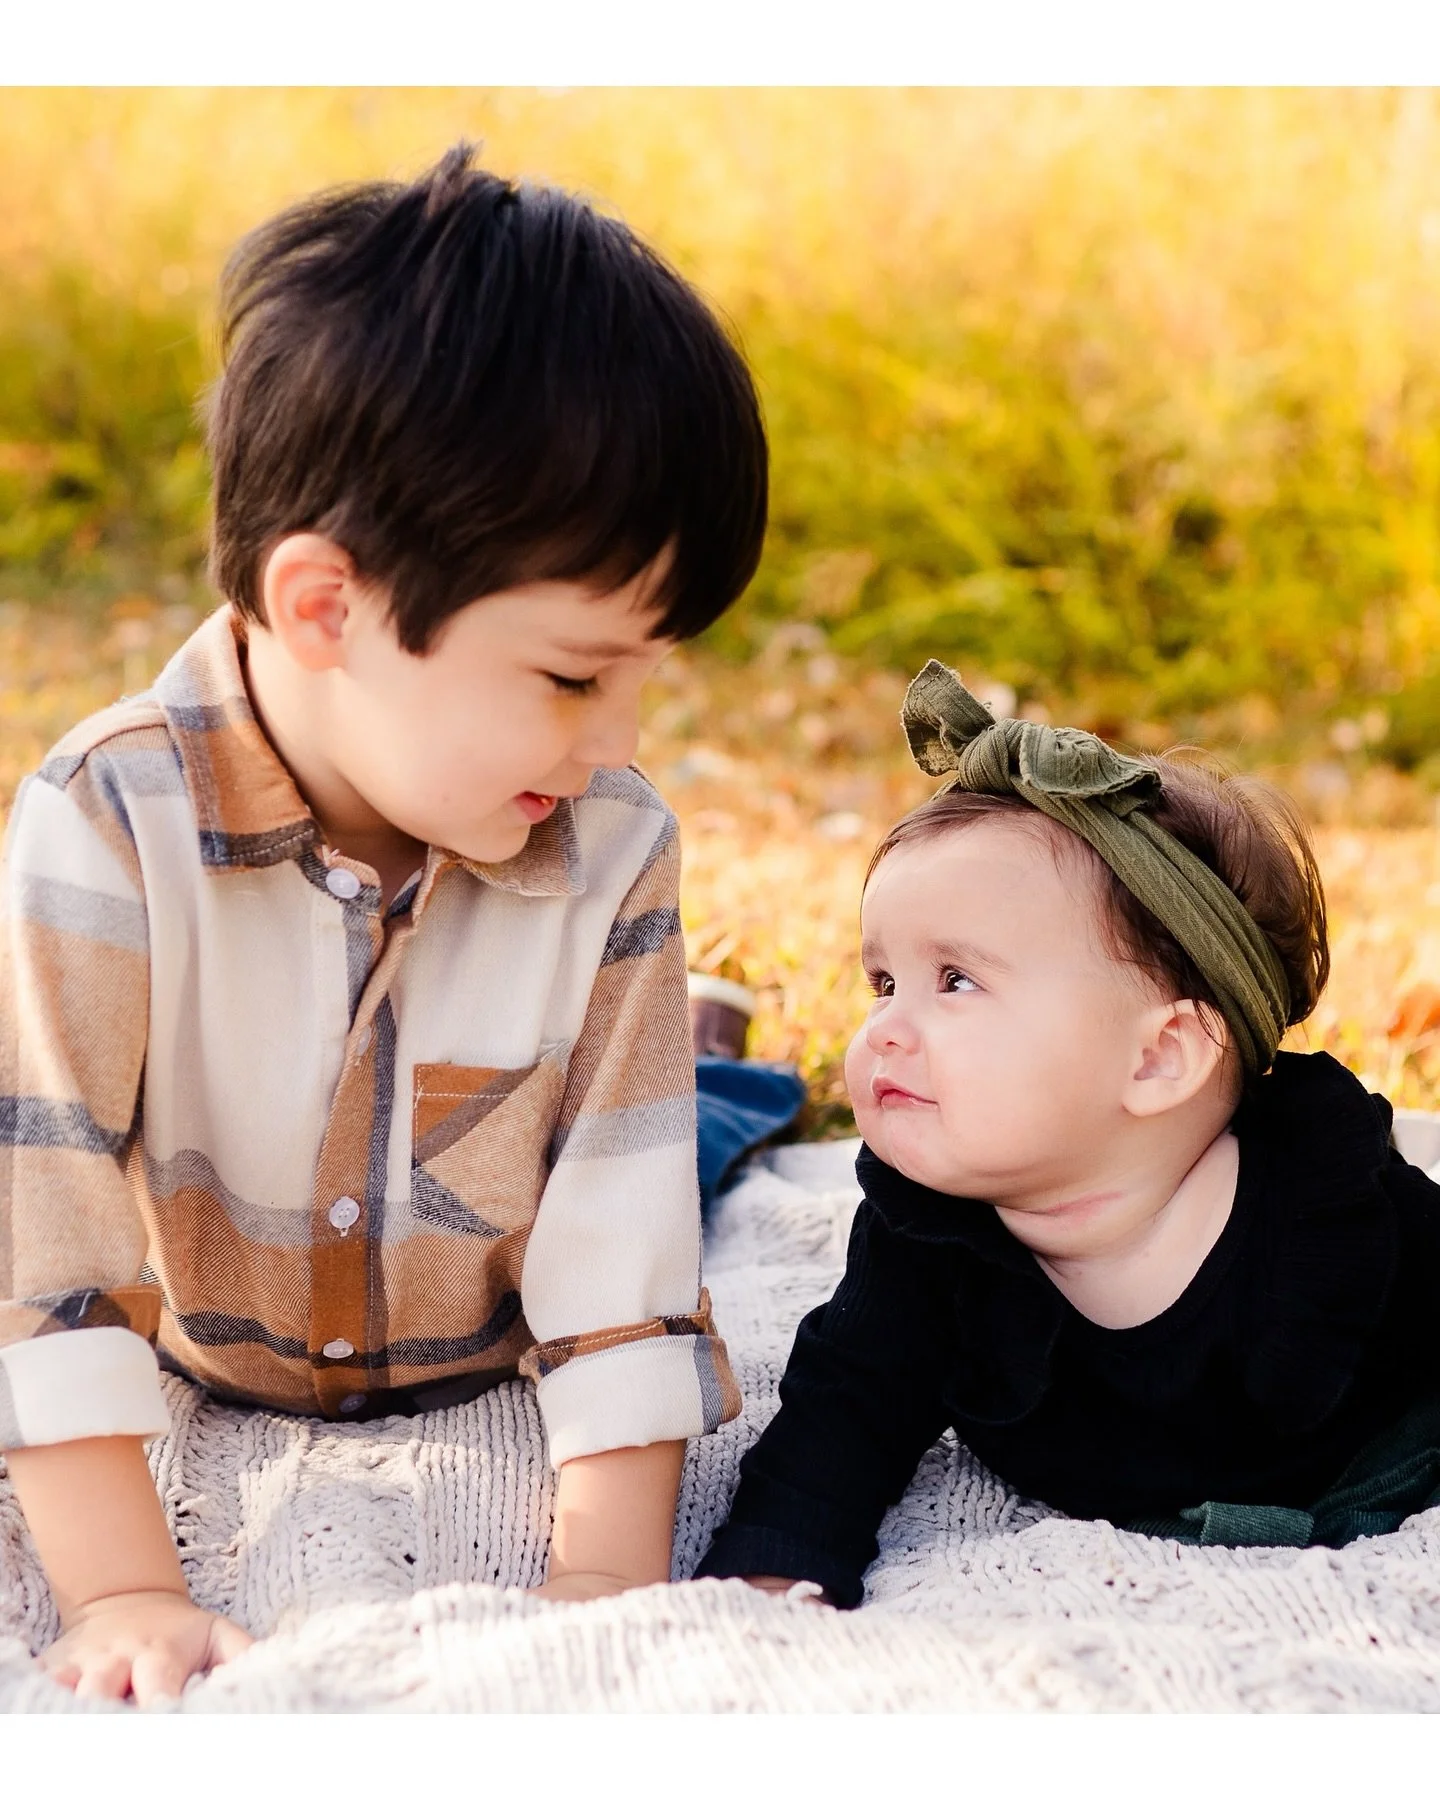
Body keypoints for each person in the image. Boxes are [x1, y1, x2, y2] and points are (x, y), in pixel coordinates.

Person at [0, 143, 769, 1701]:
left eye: (647, 675)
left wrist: (599, 1587)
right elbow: (42, 1252)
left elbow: (620, 1270)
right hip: (216, 1328)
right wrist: (125, 1591)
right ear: (325, 607)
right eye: (571, 676)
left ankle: (715, 1062)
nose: (620, 739)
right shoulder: (101, 828)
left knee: (675, 1148)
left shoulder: (606, 846)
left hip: (477, 1292)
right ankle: (726, 1059)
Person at [697, 661, 1440, 1609]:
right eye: (883, 982)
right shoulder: (931, 1230)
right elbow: (846, 1415)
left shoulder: (1334, 1209)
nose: (882, 1029)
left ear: (1158, 1058)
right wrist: (773, 1571)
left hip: (1376, 1465)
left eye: (955, 981)